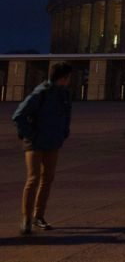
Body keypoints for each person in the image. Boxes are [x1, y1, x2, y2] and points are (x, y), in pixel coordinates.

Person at [12, 61, 73, 236]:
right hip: (35, 143)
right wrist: (30, 134)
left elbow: (66, 115)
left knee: (48, 178)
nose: (69, 80)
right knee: (33, 178)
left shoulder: (64, 94)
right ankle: (26, 218)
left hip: (52, 141)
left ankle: (39, 216)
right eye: (68, 77)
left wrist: (63, 132)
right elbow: (18, 115)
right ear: (63, 77)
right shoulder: (42, 92)